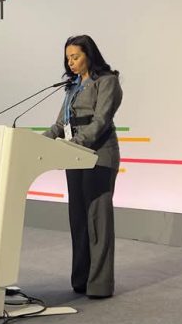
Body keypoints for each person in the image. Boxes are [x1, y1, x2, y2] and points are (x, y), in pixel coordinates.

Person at [42, 35, 123, 299]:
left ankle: (99, 284)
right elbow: (59, 125)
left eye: (75, 57)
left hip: (99, 156)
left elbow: (101, 121)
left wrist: (74, 144)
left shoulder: (107, 81)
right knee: (78, 219)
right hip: (74, 157)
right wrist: (37, 143)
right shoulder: (72, 86)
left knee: (97, 220)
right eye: (68, 58)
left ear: (89, 55)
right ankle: (81, 280)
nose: (71, 62)